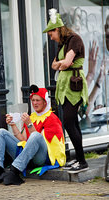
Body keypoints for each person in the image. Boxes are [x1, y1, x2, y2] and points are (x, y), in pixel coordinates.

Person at [0, 85, 66, 185]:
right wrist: (13, 125)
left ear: (45, 102)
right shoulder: (32, 116)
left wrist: (29, 124)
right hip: (27, 156)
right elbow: (24, 140)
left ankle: (15, 171)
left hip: (41, 158)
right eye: (33, 100)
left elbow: (39, 142)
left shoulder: (52, 118)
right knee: (0, 132)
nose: (35, 103)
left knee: (35, 136)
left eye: (38, 100)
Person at [43, 8, 89, 173]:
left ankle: (82, 162)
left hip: (73, 86)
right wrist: (60, 63)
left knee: (69, 122)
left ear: (57, 29)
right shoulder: (63, 43)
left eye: (51, 34)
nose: (50, 37)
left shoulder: (74, 39)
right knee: (73, 122)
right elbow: (54, 64)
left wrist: (61, 63)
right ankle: (79, 158)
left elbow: (66, 63)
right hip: (65, 87)